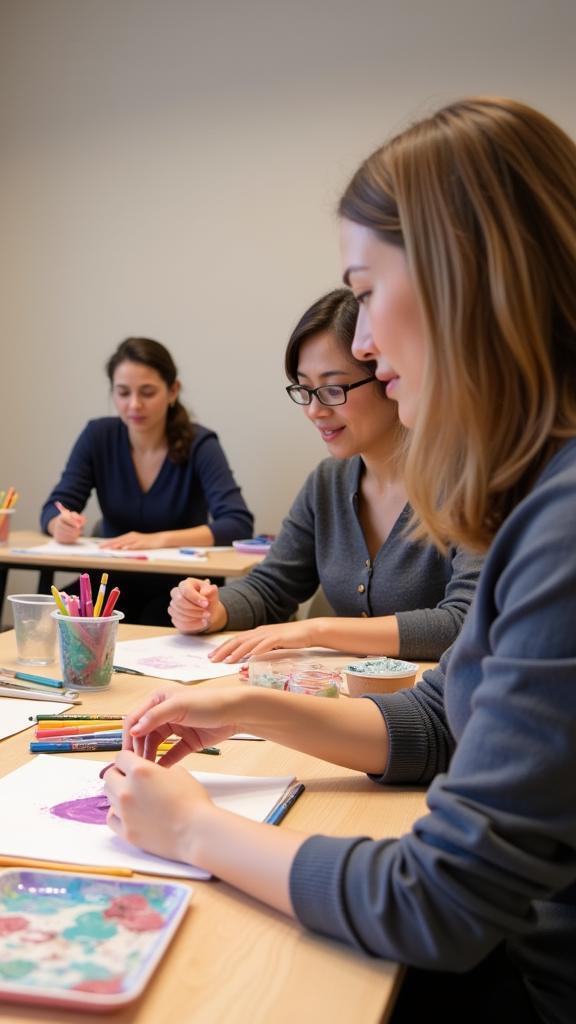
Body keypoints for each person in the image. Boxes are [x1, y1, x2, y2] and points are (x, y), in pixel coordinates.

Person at [103, 98, 576, 1022]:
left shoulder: (559, 514)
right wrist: (246, 703)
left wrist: (197, 827)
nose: (361, 341)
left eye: (365, 292)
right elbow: (447, 721)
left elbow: (436, 901)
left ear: (459, 279)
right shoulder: (533, 487)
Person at [168, 289, 481, 662]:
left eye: (333, 388)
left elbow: (465, 621)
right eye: (305, 388)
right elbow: (272, 587)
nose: (315, 410)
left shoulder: (466, 481)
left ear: (389, 376)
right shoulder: (328, 481)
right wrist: (211, 608)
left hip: (438, 709)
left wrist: (316, 630)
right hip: (350, 702)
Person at [40, 336, 254, 624]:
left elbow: (237, 523)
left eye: (148, 392)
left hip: (182, 590)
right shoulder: (97, 436)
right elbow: (54, 508)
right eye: (123, 392)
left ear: (172, 391)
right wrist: (60, 525)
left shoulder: (200, 443)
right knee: (46, 620)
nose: (134, 405)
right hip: (112, 584)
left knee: (154, 623)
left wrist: (157, 540)